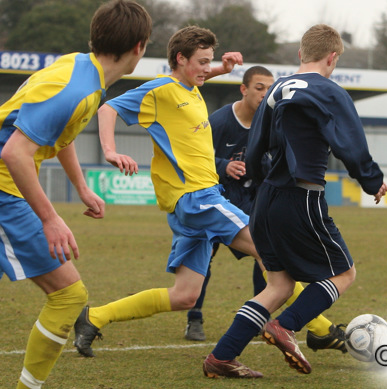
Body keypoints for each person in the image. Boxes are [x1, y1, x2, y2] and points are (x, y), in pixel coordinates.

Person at [73, 26, 346, 360]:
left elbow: (190, 80)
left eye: (210, 62)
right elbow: (107, 109)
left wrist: (222, 70)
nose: (206, 68)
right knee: (270, 253)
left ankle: (95, 316)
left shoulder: (189, 88)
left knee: (184, 296)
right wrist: (110, 150)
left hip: (188, 206)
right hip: (198, 198)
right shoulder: (161, 89)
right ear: (180, 58)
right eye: (202, 62)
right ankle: (321, 330)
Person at [203, 24, 387, 378]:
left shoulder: (275, 89)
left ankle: (221, 357)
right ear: (332, 58)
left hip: (265, 200)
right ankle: (286, 326)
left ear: (299, 55)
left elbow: (255, 147)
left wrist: (259, 184)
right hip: (301, 197)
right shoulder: (329, 92)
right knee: (343, 273)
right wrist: (372, 182)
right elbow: (350, 142)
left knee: (279, 285)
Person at [0, 1, 152, 388]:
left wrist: (81, 187)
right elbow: (15, 153)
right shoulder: (79, 90)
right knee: (69, 296)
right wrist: (50, 219)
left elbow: (57, 134)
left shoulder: (81, 69)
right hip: (4, 186)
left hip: (9, 184)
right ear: (139, 46)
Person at [185, 65, 348, 356]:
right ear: (243, 89)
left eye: (268, 87)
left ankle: (294, 326)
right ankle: (195, 318)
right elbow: (194, 154)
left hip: (253, 200)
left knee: (271, 266)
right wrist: (224, 165)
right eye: (259, 87)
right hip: (215, 198)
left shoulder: (272, 118)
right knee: (204, 261)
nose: (264, 93)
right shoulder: (221, 120)